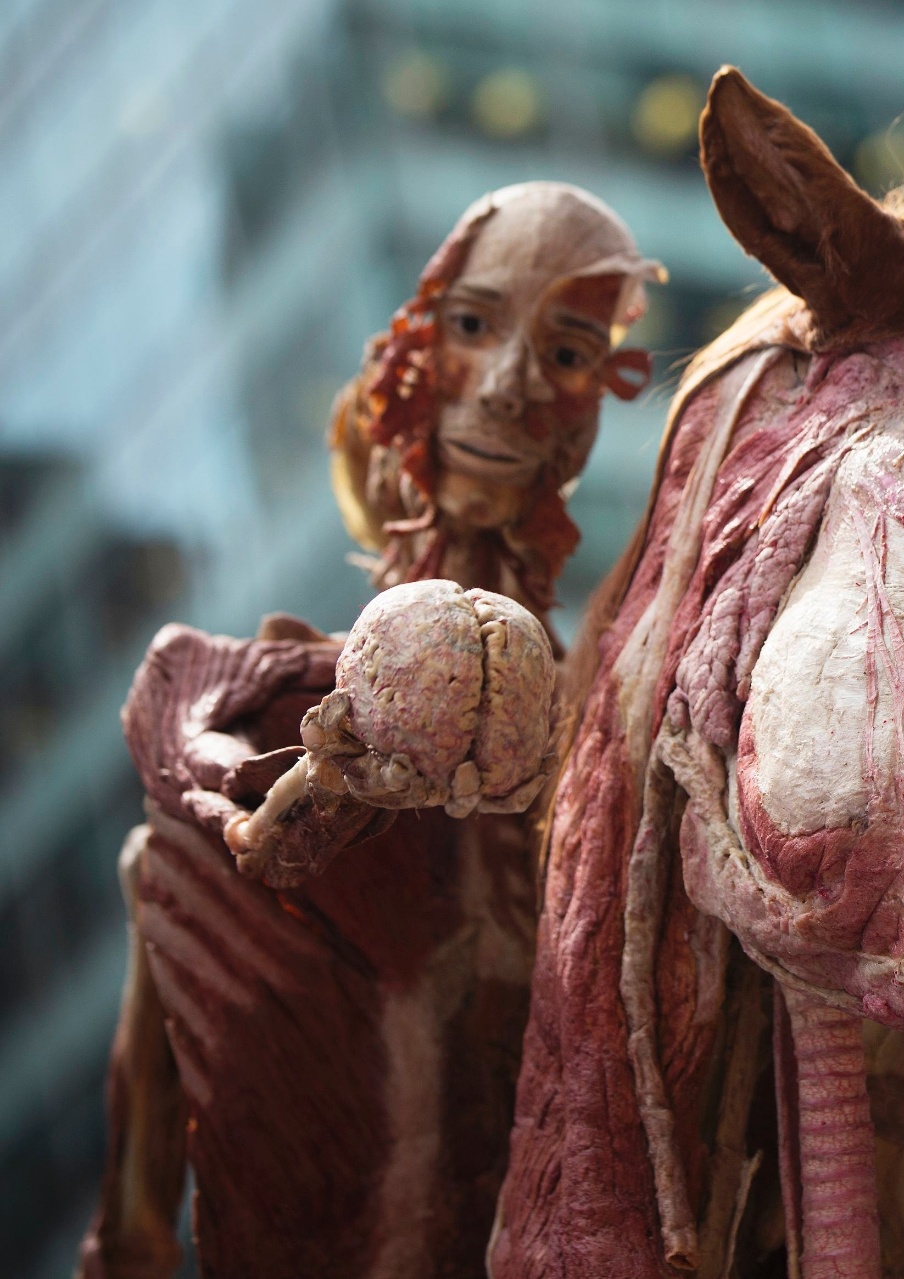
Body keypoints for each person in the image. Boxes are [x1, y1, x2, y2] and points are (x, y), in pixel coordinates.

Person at [78, 182, 662, 1279]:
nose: (507, 389)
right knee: (157, 859)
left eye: (571, 353)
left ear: (592, 408)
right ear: (411, 360)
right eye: (475, 327)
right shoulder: (265, 703)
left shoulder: (616, 759)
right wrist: (285, 786)